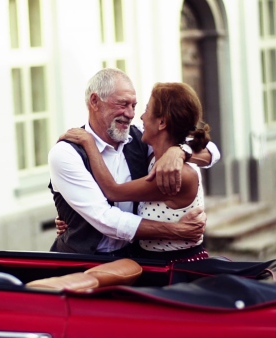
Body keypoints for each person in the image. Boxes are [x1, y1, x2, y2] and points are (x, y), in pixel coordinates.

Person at [48, 68, 220, 257]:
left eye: (134, 106)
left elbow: (211, 150)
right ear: (95, 102)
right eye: (123, 104)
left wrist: (180, 151)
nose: (131, 114)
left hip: (137, 258)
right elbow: (106, 218)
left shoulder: (141, 138)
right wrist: (176, 230)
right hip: (81, 262)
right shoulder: (66, 153)